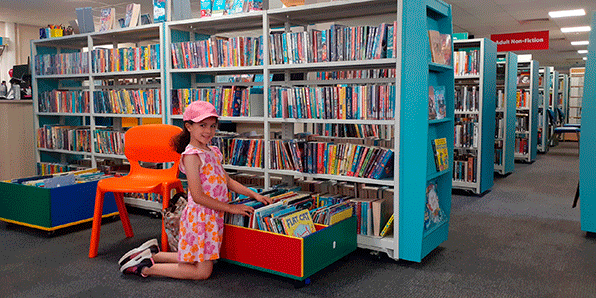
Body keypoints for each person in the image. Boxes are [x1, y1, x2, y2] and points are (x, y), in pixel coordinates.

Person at [118, 100, 272, 279]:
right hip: (201, 219)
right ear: (189, 126)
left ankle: (152, 254)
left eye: (213, 126)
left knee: (192, 258)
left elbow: (227, 180)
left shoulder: (212, 151)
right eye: (203, 125)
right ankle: (145, 268)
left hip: (213, 216)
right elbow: (198, 196)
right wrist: (232, 208)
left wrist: (253, 194)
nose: (208, 131)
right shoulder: (191, 156)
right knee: (202, 272)